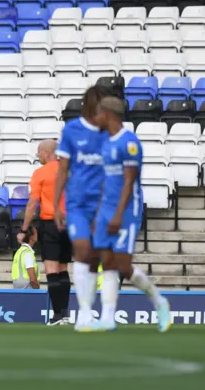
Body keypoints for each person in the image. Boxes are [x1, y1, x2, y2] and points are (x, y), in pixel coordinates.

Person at [91, 97, 171, 332]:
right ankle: (107, 317)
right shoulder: (104, 144)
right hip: (106, 210)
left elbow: (128, 182)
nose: (95, 119)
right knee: (106, 262)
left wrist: (117, 214)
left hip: (126, 211)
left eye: (98, 114)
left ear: (108, 114)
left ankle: (159, 301)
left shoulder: (130, 143)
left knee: (123, 266)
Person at [53, 85, 110, 331]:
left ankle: (90, 309)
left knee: (94, 257)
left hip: (101, 203)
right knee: (82, 251)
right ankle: (84, 312)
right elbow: (63, 169)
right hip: (77, 203)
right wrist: (56, 205)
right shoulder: (72, 130)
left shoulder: (109, 131)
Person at [17, 139, 71, 325]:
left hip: (50, 223)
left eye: (39, 152)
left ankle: (57, 315)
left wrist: (24, 229)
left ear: (47, 152)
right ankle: (64, 314)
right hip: (68, 223)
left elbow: (32, 204)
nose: (38, 156)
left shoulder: (41, 173)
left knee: (51, 269)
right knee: (63, 268)